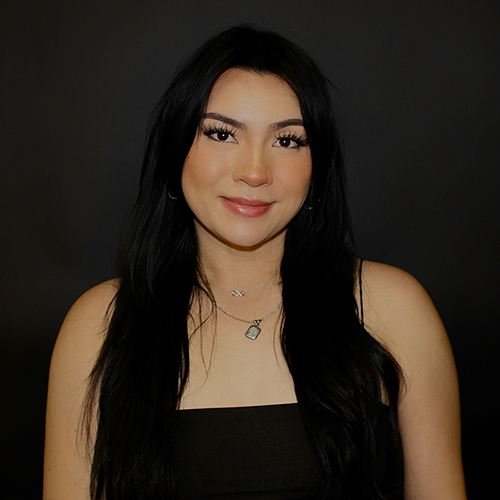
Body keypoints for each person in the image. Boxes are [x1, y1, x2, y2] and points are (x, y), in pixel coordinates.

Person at [43, 26, 467, 500]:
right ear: (175, 149)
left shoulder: (393, 309)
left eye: (288, 141)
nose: (254, 171)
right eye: (222, 133)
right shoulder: (98, 325)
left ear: (317, 166)